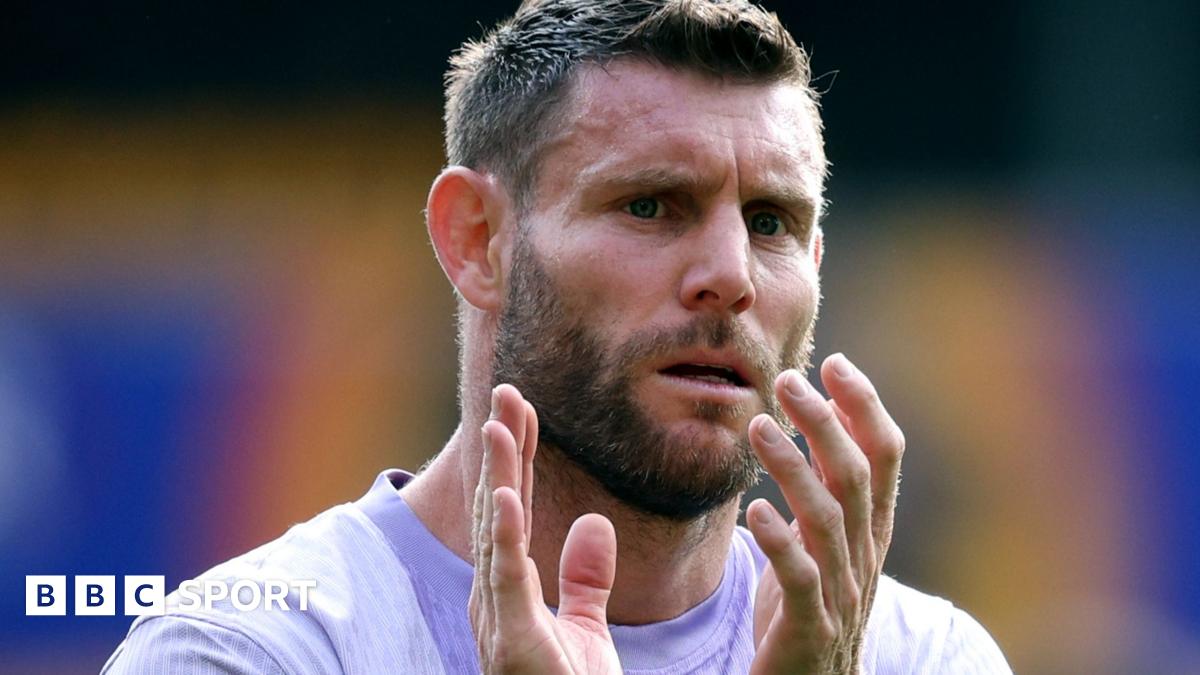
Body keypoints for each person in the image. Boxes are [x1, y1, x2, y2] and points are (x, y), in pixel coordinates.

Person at [104, 1, 1011, 672]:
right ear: (478, 240)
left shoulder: (922, 656)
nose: (732, 273)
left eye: (771, 222)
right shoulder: (252, 649)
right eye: (651, 205)